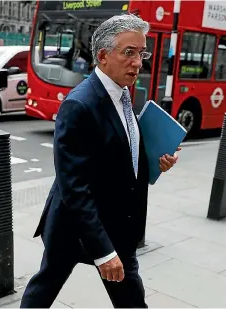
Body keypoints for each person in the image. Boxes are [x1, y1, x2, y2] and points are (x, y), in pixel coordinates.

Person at [20, 13, 180, 308]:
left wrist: (154, 163)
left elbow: (120, 155)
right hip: (76, 224)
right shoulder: (79, 104)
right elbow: (74, 187)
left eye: (141, 53)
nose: (138, 62)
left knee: (132, 300)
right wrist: (104, 252)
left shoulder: (123, 95)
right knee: (45, 287)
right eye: (129, 52)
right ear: (103, 56)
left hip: (119, 223)